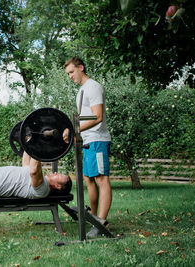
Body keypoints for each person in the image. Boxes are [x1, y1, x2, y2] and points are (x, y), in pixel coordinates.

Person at [63, 57, 112, 238]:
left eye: (71, 72)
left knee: (101, 179)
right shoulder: (82, 90)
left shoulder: (93, 87)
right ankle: (93, 216)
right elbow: (84, 117)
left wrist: (74, 129)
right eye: (68, 74)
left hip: (98, 139)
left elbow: (97, 116)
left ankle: (101, 222)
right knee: (88, 179)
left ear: (81, 68)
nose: (70, 76)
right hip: (87, 139)